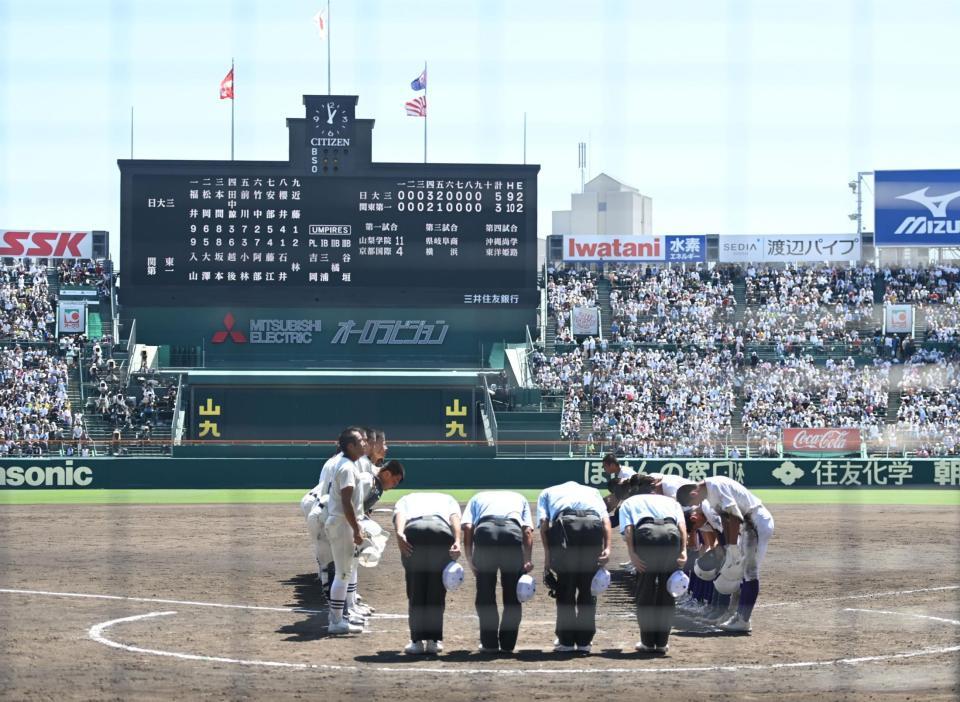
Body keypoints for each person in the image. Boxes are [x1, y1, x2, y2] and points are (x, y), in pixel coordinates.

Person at [676, 476, 775, 633]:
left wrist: (732, 547)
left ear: (694, 493)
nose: (695, 506)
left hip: (755, 522)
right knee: (740, 572)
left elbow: (734, 516)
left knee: (749, 572)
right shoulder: (709, 493)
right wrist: (729, 547)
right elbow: (725, 519)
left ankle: (743, 620)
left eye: (693, 503)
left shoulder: (715, 486)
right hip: (748, 525)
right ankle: (737, 615)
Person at [537, 481, 611, 653]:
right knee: (587, 588)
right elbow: (605, 520)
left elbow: (544, 523)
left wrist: (548, 557)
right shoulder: (593, 491)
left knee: (566, 587)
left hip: (566, 528)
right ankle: (585, 642)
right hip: (592, 527)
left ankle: (567, 641)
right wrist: (607, 548)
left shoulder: (547, 491)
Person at [619, 474, 687, 654]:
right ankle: (662, 643)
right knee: (668, 589)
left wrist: (632, 554)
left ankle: (648, 642)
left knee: (645, 589)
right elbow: (681, 527)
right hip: (671, 535)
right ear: (653, 488)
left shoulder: (630, 502)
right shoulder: (670, 502)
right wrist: (683, 550)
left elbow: (628, 530)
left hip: (647, 535)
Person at [461, 491, 534, 654]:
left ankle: (489, 644)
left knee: (485, 592)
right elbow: (527, 531)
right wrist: (527, 560)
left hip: (485, 534)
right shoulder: (520, 498)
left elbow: (467, 527)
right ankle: (507, 644)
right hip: (512, 534)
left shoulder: (476, 497)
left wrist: (469, 558)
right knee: (512, 594)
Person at [394, 492, 462, 656]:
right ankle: (433, 641)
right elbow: (454, 518)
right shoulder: (448, 498)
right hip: (441, 531)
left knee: (416, 588)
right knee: (436, 588)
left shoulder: (406, 498)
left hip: (414, 531)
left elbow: (400, 515)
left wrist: (400, 533)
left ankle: (416, 642)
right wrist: (457, 540)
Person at [323, 427, 369, 634]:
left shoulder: (345, 463)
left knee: (345, 572)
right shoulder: (347, 468)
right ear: (350, 446)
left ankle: (341, 617)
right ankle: (336, 621)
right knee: (342, 573)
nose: (364, 444)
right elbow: (346, 503)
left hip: (340, 523)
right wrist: (357, 529)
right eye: (360, 441)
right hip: (342, 524)